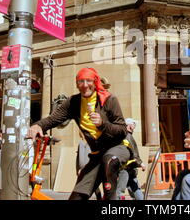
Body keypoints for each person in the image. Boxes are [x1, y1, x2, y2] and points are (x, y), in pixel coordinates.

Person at [27, 67, 130, 200]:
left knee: (108, 161)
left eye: (88, 81)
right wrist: (37, 126)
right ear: (76, 84)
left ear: (95, 81)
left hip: (117, 147)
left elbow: (122, 130)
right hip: (96, 155)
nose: (85, 85)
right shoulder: (73, 102)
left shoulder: (109, 100)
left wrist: (103, 124)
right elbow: (54, 118)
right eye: (81, 81)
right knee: (76, 198)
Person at [116, 118, 146, 200]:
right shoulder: (127, 136)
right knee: (120, 192)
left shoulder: (124, 135)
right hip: (125, 168)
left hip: (128, 168)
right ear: (129, 126)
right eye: (133, 124)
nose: (134, 127)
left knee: (135, 188)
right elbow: (133, 152)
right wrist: (140, 163)